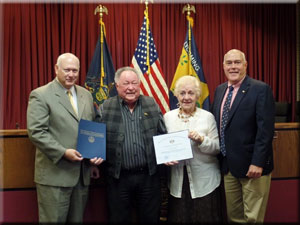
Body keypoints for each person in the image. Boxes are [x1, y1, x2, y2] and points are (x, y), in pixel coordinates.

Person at [27, 53, 104, 223]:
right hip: (55, 175)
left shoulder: (86, 94)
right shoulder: (40, 95)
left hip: (82, 175)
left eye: (75, 70)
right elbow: (36, 132)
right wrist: (63, 152)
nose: (71, 74)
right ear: (56, 69)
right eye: (67, 69)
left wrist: (94, 157)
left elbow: (92, 126)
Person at [211, 49, 275, 223]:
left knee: (252, 219)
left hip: (252, 167)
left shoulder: (260, 89)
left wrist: (258, 162)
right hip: (228, 167)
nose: (233, 67)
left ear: (245, 65)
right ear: (223, 66)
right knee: (234, 217)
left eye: (237, 62)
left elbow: (265, 131)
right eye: (229, 63)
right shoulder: (219, 90)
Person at [97, 66, 167, 223]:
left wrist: (169, 154)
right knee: (119, 219)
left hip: (149, 176)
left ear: (139, 85)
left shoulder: (151, 104)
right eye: (126, 83)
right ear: (117, 86)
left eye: (134, 83)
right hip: (118, 178)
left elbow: (162, 133)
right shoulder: (106, 107)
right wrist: (93, 160)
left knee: (150, 219)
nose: (130, 87)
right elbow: (96, 138)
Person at [163, 75, 222, 223]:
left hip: (204, 182)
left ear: (197, 95)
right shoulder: (167, 117)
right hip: (178, 182)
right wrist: (165, 158)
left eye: (191, 93)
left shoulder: (208, 117)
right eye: (182, 93)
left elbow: (217, 148)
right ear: (176, 95)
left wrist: (202, 140)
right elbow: (163, 147)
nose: (186, 97)